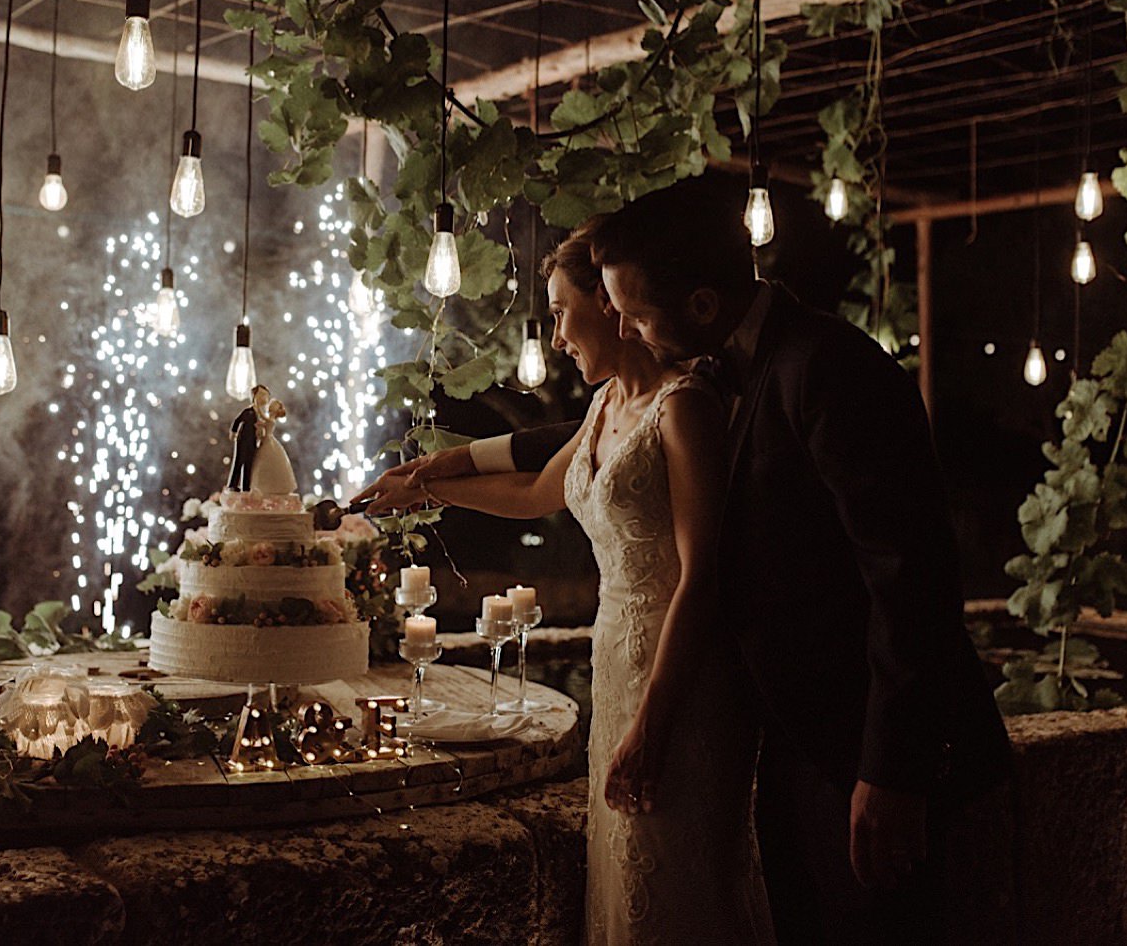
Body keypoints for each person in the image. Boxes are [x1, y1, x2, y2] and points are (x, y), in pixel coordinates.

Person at [354, 173, 1012, 945]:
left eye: (634, 315)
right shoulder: (714, 365)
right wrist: (444, 468)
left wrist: (890, 770)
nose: (626, 330)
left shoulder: (829, 367)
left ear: (700, 304)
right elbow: (586, 448)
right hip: (784, 729)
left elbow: (910, 578)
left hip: (862, 740)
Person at [398, 232, 773, 945]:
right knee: (624, 876)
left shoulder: (684, 407)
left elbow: (703, 576)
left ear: (608, 304)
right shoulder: (604, 406)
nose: (557, 337)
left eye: (559, 312)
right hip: (614, 664)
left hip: (680, 683)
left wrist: (654, 725)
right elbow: (535, 492)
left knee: (679, 881)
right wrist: (426, 488)